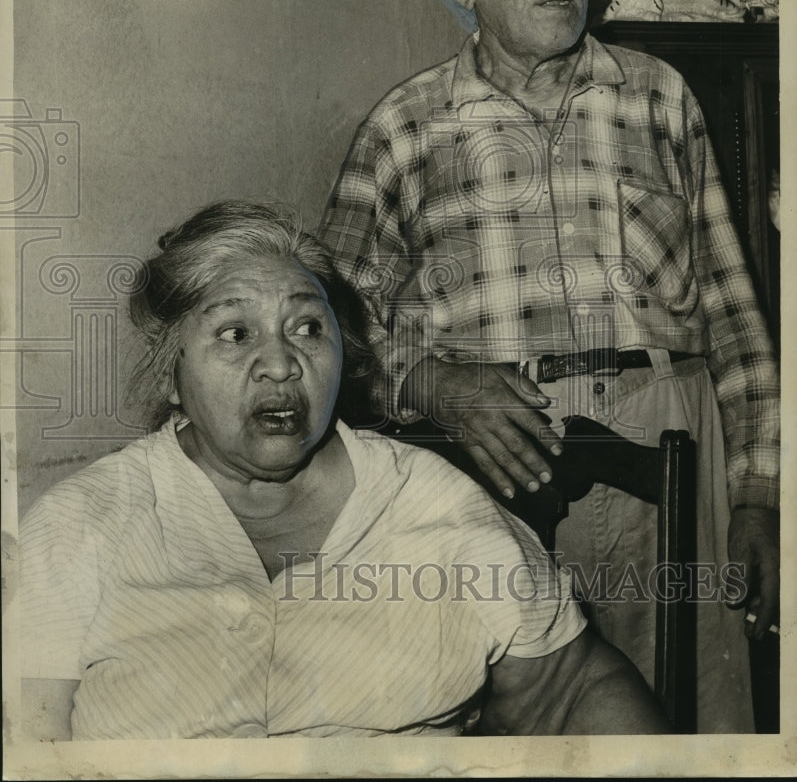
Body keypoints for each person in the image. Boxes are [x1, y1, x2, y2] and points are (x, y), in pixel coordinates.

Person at [319, 0, 780, 733]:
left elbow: (733, 314)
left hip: (674, 452)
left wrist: (763, 495)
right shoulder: (403, 129)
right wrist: (432, 386)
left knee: (692, 728)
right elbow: (328, 333)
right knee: (520, 726)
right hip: (492, 472)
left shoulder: (658, 95)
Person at [19, 199, 669, 740]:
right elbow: (26, 746)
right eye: (235, 334)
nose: (280, 364)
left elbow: (573, 688)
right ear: (169, 372)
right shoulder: (83, 528)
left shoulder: (434, 507)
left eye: (306, 328)